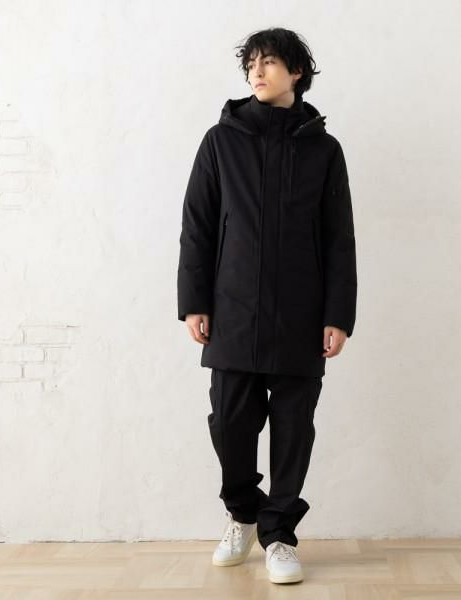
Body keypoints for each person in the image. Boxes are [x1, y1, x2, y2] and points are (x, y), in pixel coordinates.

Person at [177, 27, 357, 584]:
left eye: (270, 62)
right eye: (252, 63)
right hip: (231, 309)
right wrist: (194, 302)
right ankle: (243, 514)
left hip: (301, 313)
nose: (257, 71)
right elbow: (197, 224)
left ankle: (279, 534)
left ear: (297, 72)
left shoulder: (324, 150)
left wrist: (338, 314)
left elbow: (339, 238)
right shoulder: (220, 141)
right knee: (229, 423)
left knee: (293, 428)